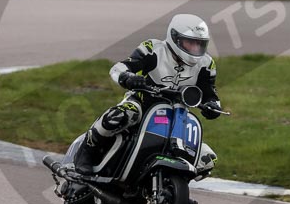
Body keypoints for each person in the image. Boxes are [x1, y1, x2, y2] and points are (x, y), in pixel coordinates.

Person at [74, 13, 223, 175]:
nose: (195, 49)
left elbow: (210, 94)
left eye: (199, 44)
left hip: (179, 115)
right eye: (190, 43)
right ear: (174, 38)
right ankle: (87, 150)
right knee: (120, 115)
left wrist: (213, 107)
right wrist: (129, 78)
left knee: (207, 159)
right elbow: (121, 67)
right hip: (143, 103)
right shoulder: (153, 49)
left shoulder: (206, 64)